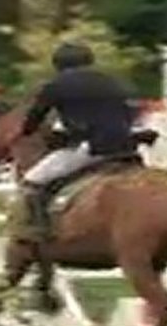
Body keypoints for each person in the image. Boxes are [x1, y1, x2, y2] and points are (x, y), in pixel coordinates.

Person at [18, 41, 139, 241]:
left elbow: (33, 120)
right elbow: (129, 113)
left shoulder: (56, 86)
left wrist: (28, 130)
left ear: (58, 65)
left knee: (32, 182)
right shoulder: (112, 82)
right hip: (127, 147)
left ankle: (40, 229)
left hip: (90, 148)